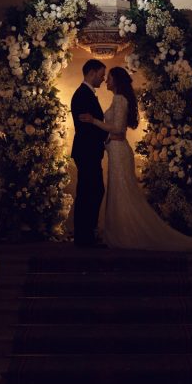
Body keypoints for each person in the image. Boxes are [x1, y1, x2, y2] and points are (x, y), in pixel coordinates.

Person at [79, 67, 192, 252]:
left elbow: (118, 130)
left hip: (119, 153)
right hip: (115, 151)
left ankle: (126, 234)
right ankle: (120, 231)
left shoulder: (120, 99)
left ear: (117, 81)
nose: (106, 81)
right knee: (118, 192)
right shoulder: (119, 99)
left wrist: (94, 121)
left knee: (123, 192)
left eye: (110, 78)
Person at [70, 59, 108, 247]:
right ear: (92, 73)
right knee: (89, 191)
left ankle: (85, 235)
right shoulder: (83, 95)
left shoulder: (86, 94)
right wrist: (106, 132)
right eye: (101, 75)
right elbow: (87, 127)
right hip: (87, 150)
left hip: (88, 150)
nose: (103, 79)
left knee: (91, 190)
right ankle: (84, 237)